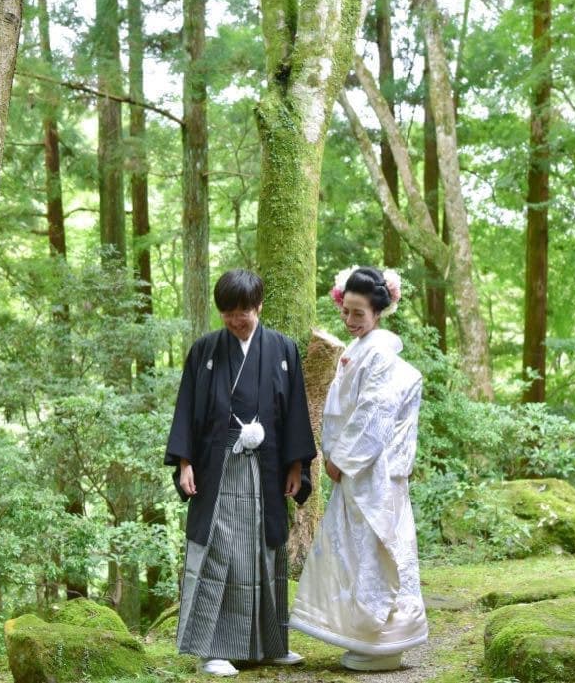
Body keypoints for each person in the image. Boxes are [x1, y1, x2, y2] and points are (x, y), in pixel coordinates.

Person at [165, 269, 317, 677]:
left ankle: (270, 645)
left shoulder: (283, 349)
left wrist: (297, 467)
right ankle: (212, 649)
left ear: (259, 306)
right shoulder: (204, 351)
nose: (236, 319)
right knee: (219, 552)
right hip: (219, 467)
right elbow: (188, 410)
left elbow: (296, 413)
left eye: (244, 311)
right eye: (228, 312)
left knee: (265, 554)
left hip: (267, 468)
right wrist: (184, 463)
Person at [289, 266, 428, 672]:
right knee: (356, 553)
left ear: (378, 312)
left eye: (358, 314)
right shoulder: (363, 350)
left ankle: (381, 641)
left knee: (374, 552)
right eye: (346, 312)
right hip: (359, 472)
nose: (350, 321)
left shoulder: (380, 353)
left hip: (373, 474)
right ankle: (368, 639)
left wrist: (341, 458)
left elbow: (374, 415)